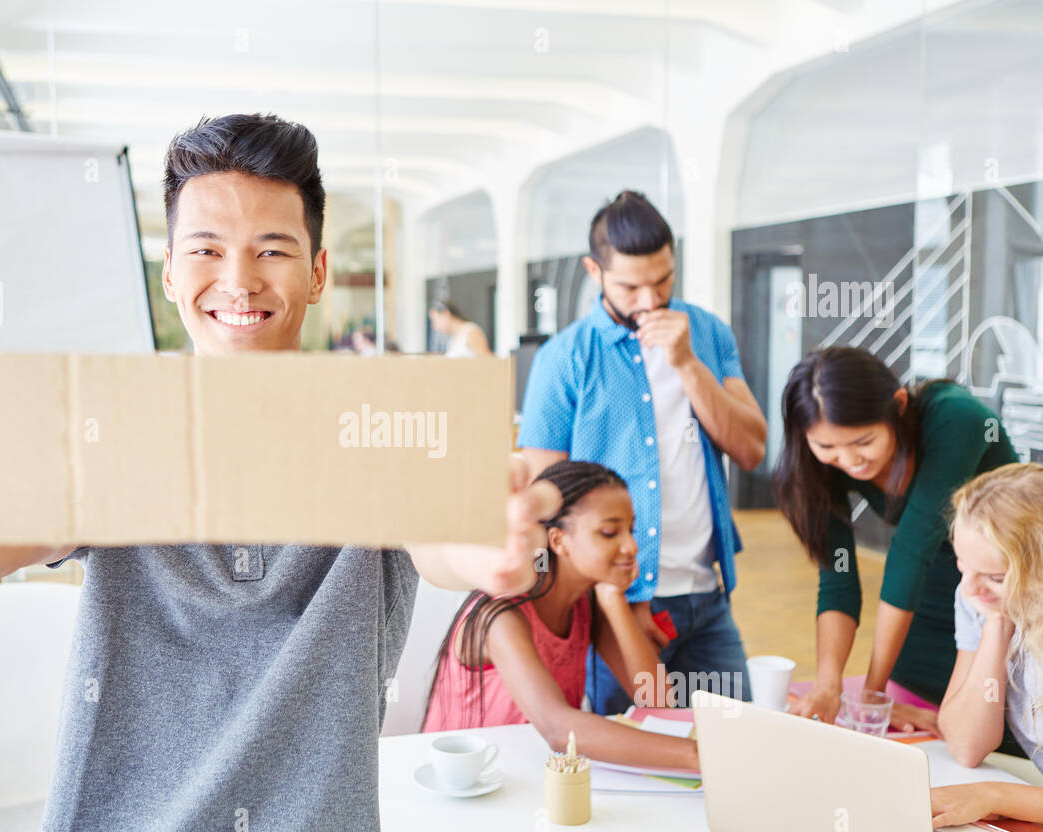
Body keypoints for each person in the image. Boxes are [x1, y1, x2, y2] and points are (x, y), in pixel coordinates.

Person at [0, 113, 562, 832]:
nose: (239, 281)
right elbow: (30, 518)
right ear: (174, 272)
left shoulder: (379, 424)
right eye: (207, 249)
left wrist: (486, 538)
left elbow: (442, 533)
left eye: (273, 250)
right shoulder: (120, 420)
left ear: (318, 273)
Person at [518, 190, 767, 713]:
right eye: (631, 286)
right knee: (631, 757)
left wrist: (687, 364)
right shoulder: (563, 359)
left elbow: (751, 448)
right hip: (616, 603)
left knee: (737, 746)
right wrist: (607, 597)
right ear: (595, 271)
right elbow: (546, 498)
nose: (650, 301)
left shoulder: (707, 332)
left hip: (707, 596)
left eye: (663, 281)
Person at [773, 346, 1019, 737]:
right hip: (926, 598)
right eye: (827, 447)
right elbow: (838, 579)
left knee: (998, 719)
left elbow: (910, 552)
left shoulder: (957, 419)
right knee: (927, 722)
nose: (849, 459)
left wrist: (871, 696)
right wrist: (829, 684)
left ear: (898, 405)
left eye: (863, 441)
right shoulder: (820, 467)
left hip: (1004, 591)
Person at [421, 460, 698, 771]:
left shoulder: (587, 601)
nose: (631, 546)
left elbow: (657, 699)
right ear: (557, 540)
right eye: (609, 532)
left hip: (538, 774)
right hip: (470, 782)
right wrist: (699, 756)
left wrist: (613, 599)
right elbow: (557, 728)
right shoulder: (501, 614)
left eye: (630, 530)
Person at [930, 463, 1043, 827]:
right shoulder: (980, 601)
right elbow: (966, 744)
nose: (969, 590)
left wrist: (994, 795)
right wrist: (997, 622)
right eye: (963, 567)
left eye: (995, 577)